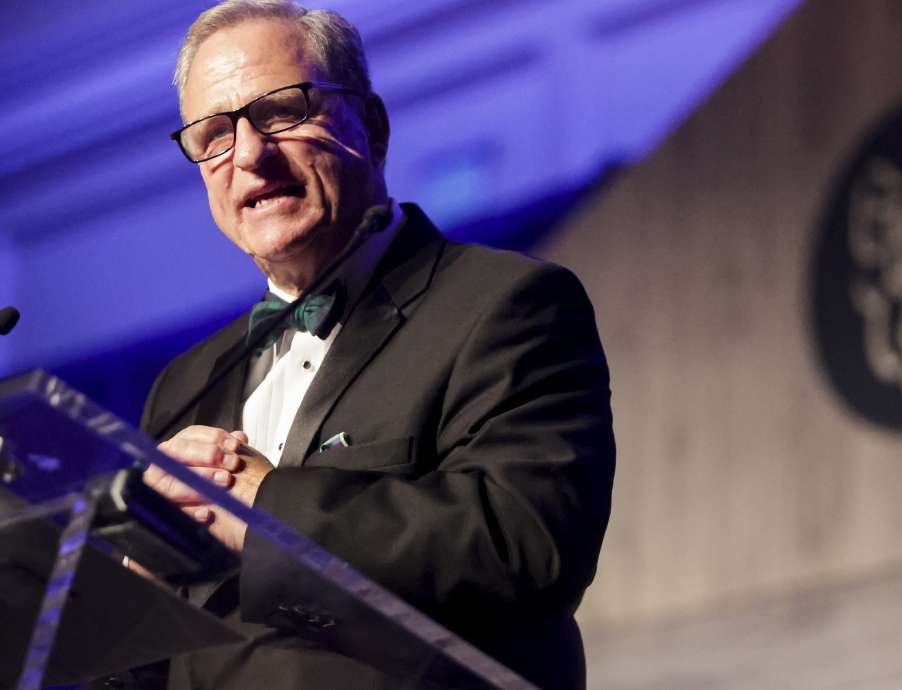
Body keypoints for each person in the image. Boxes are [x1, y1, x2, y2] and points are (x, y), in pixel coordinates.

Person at [132, 1, 614, 688]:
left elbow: (526, 546)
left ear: (373, 127)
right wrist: (131, 584)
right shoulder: (185, 385)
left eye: (281, 112)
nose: (248, 155)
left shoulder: (505, 305)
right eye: (213, 135)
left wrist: (268, 510)